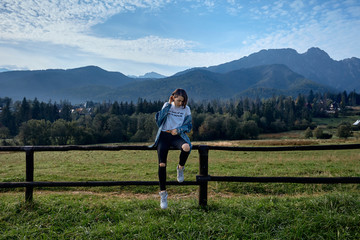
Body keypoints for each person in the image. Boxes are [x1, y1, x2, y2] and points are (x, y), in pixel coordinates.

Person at [150, 88, 192, 209]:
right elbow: (159, 121)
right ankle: (163, 194)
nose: (180, 104)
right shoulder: (167, 105)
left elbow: (189, 126)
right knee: (162, 164)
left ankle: (180, 168)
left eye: (182, 101)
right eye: (178, 101)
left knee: (186, 147)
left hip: (176, 136)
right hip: (164, 136)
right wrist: (168, 105)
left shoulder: (186, 109)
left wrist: (178, 130)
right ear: (173, 98)